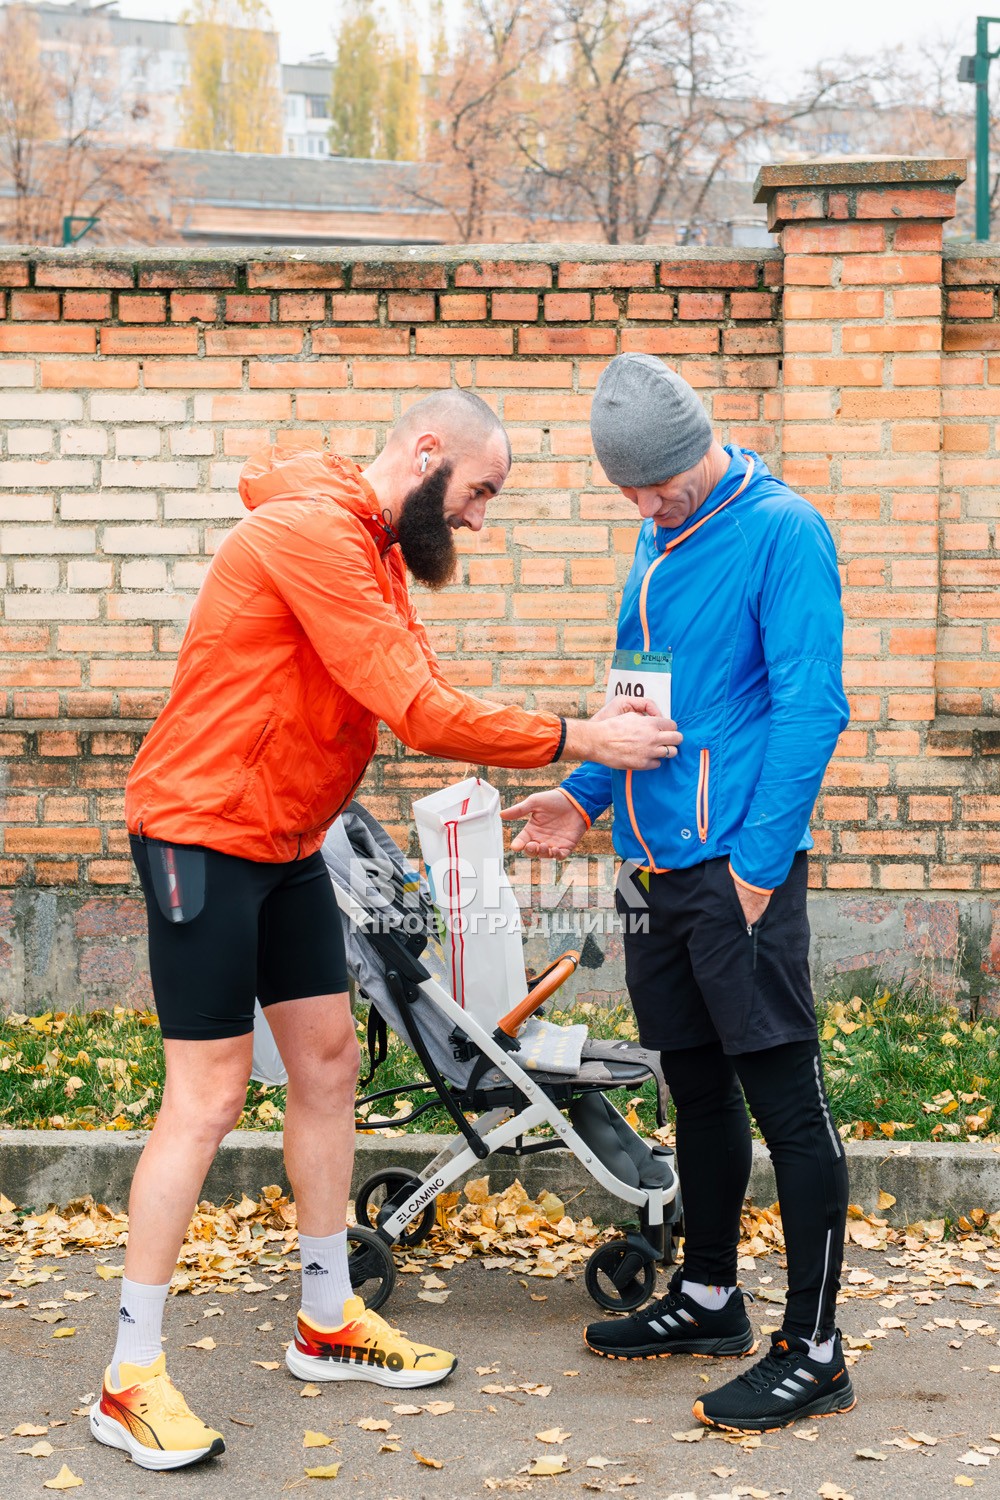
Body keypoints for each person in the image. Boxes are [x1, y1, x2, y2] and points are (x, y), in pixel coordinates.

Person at [92, 389, 681, 1472]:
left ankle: (327, 1318)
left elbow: (423, 690)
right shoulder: (311, 534)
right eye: (479, 491)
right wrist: (581, 735)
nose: (479, 520)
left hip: (286, 843)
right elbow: (416, 708)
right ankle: (128, 1377)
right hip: (201, 837)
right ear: (425, 454)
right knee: (211, 1093)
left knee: (326, 1064)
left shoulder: (372, 551)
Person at [504, 354, 853, 1436]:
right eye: (627, 492)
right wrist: (581, 794)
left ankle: (817, 1348)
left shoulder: (782, 531)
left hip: (733, 875)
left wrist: (757, 867)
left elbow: (811, 709)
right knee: (695, 1093)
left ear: (702, 445)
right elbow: (636, 706)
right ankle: (708, 1298)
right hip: (653, 874)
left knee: (784, 1102)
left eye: (656, 485)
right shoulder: (654, 551)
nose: (643, 506)